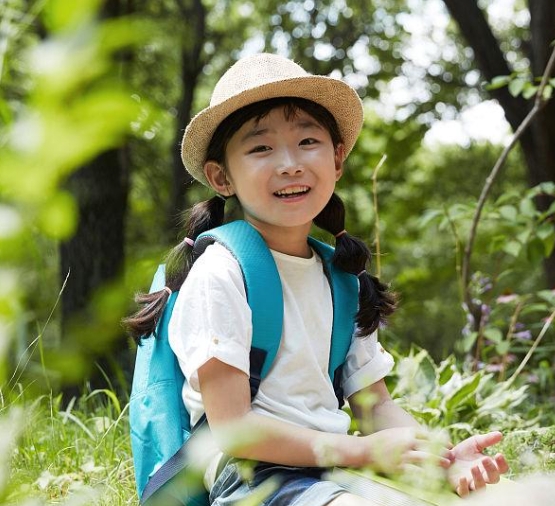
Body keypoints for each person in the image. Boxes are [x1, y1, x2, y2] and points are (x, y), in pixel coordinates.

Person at [125, 53, 508, 506]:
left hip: (334, 470)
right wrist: (365, 451)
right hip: (254, 478)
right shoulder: (222, 272)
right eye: (261, 147)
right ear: (220, 176)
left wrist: (440, 459)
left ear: (337, 158)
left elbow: (375, 406)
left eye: (308, 141)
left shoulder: (341, 278)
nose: (290, 163)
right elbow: (233, 429)